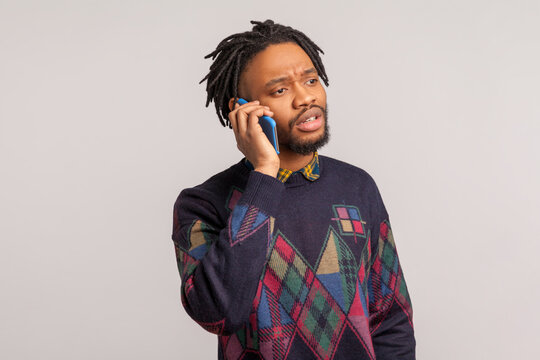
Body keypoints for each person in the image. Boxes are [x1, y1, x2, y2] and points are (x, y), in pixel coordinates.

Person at [172, 19, 415, 360]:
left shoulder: (358, 187)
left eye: (311, 80)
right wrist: (265, 177)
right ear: (243, 111)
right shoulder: (202, 204)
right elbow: (219, 312)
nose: (305, 97)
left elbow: (390, 317)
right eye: (280, 90)